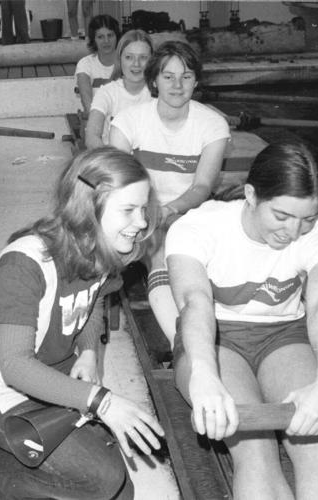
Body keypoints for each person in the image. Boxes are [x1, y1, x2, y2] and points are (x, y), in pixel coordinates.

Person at [0, 147, 165, 499]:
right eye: (129, 210)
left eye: (143, 209)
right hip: (2, 393)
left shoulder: (104, 249)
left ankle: (40, 452)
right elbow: (14, 367)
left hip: (57, 381)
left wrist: (88, 351)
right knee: (103, 479)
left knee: (120, 490)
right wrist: (101, 401)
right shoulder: (25, 263)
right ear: (89, 207)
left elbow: (96, 299)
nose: (142, 223)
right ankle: (1, 469)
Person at [168, 142, 318, 499]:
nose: (295, 231)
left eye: (308, 218)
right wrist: (204, 376)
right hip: (215, 338)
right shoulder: (198, 226)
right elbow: (195, 304)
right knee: (255, 451)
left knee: (315, 442)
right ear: (251, 195)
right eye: (282, 216)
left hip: (284, 336)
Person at [109, 40, 229, 347]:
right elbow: (118, 186)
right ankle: (185, 344)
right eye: (168, 76)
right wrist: (150, 213)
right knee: (162, 251)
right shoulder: (127, 122)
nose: (177, 85)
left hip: (187, 211)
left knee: (185, 250)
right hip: (139, 210)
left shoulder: (213, 125)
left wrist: (169, 210)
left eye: (186, 76)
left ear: (196, 81)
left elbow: (201, 187)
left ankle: (199, 333)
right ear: (153, 81)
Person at [84, 29, 152, 149]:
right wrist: (113, 161)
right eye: (129, 57)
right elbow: (91, 136)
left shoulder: (159, 94)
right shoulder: (106, 93)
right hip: (115, 161)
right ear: (120, 59)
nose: (136, 64)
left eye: (143, 58)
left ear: (152, 61)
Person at [75, 14, 119, 115]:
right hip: (96, 120)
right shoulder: (85, 64)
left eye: (110, 35)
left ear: (117, 36)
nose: (106, 41)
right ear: (93, 40)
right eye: (100, 37)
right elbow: (88, 104)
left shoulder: (128, 62)